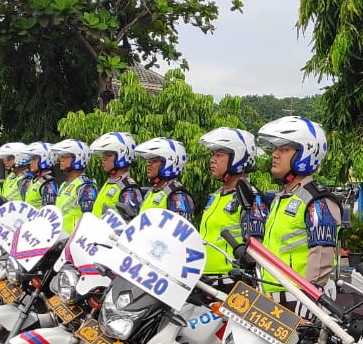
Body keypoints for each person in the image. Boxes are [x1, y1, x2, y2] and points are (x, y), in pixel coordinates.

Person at [256, 116, 340, 298]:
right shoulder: (282, 197)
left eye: (284, 149)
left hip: (298, 300)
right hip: (272, 296)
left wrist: (310, 298)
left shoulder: (316, 200)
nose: (275, 154)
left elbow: (321, 255)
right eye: (275, 148)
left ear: (305, 154)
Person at [195, 128, 265, 277]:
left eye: (219, 155)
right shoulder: (216, 196)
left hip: (232, 281)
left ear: (237, 158)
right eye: (213, 154)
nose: (212, 160)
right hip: (206, 280)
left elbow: (257, 247)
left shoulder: (249, 196)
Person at [88, 132, 143, 221]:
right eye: (103, 155)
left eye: (108, 155)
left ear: (122, 156)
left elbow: (130, 223)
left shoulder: (128, 188)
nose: (104, 159)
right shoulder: (110, 182)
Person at [135, 137, 192, 219]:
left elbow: (180, 228)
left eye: (154, 161)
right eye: (148, 161)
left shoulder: (177, 195)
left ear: (169, 163)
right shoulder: (153, 191)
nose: (148, 164)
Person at [51, 139, 97, 233]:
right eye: (61, 156)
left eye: (65, 157)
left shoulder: (85, 186)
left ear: (78, 158)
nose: (61, 160)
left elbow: (90, 219)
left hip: (73, 240)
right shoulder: (64, 184)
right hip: (59, 239)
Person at [19, 142, 59, 208]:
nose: (30, 162)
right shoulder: (35, 179)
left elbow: (49, 211)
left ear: (45, 160)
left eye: (34, 159)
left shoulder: (48, 183)